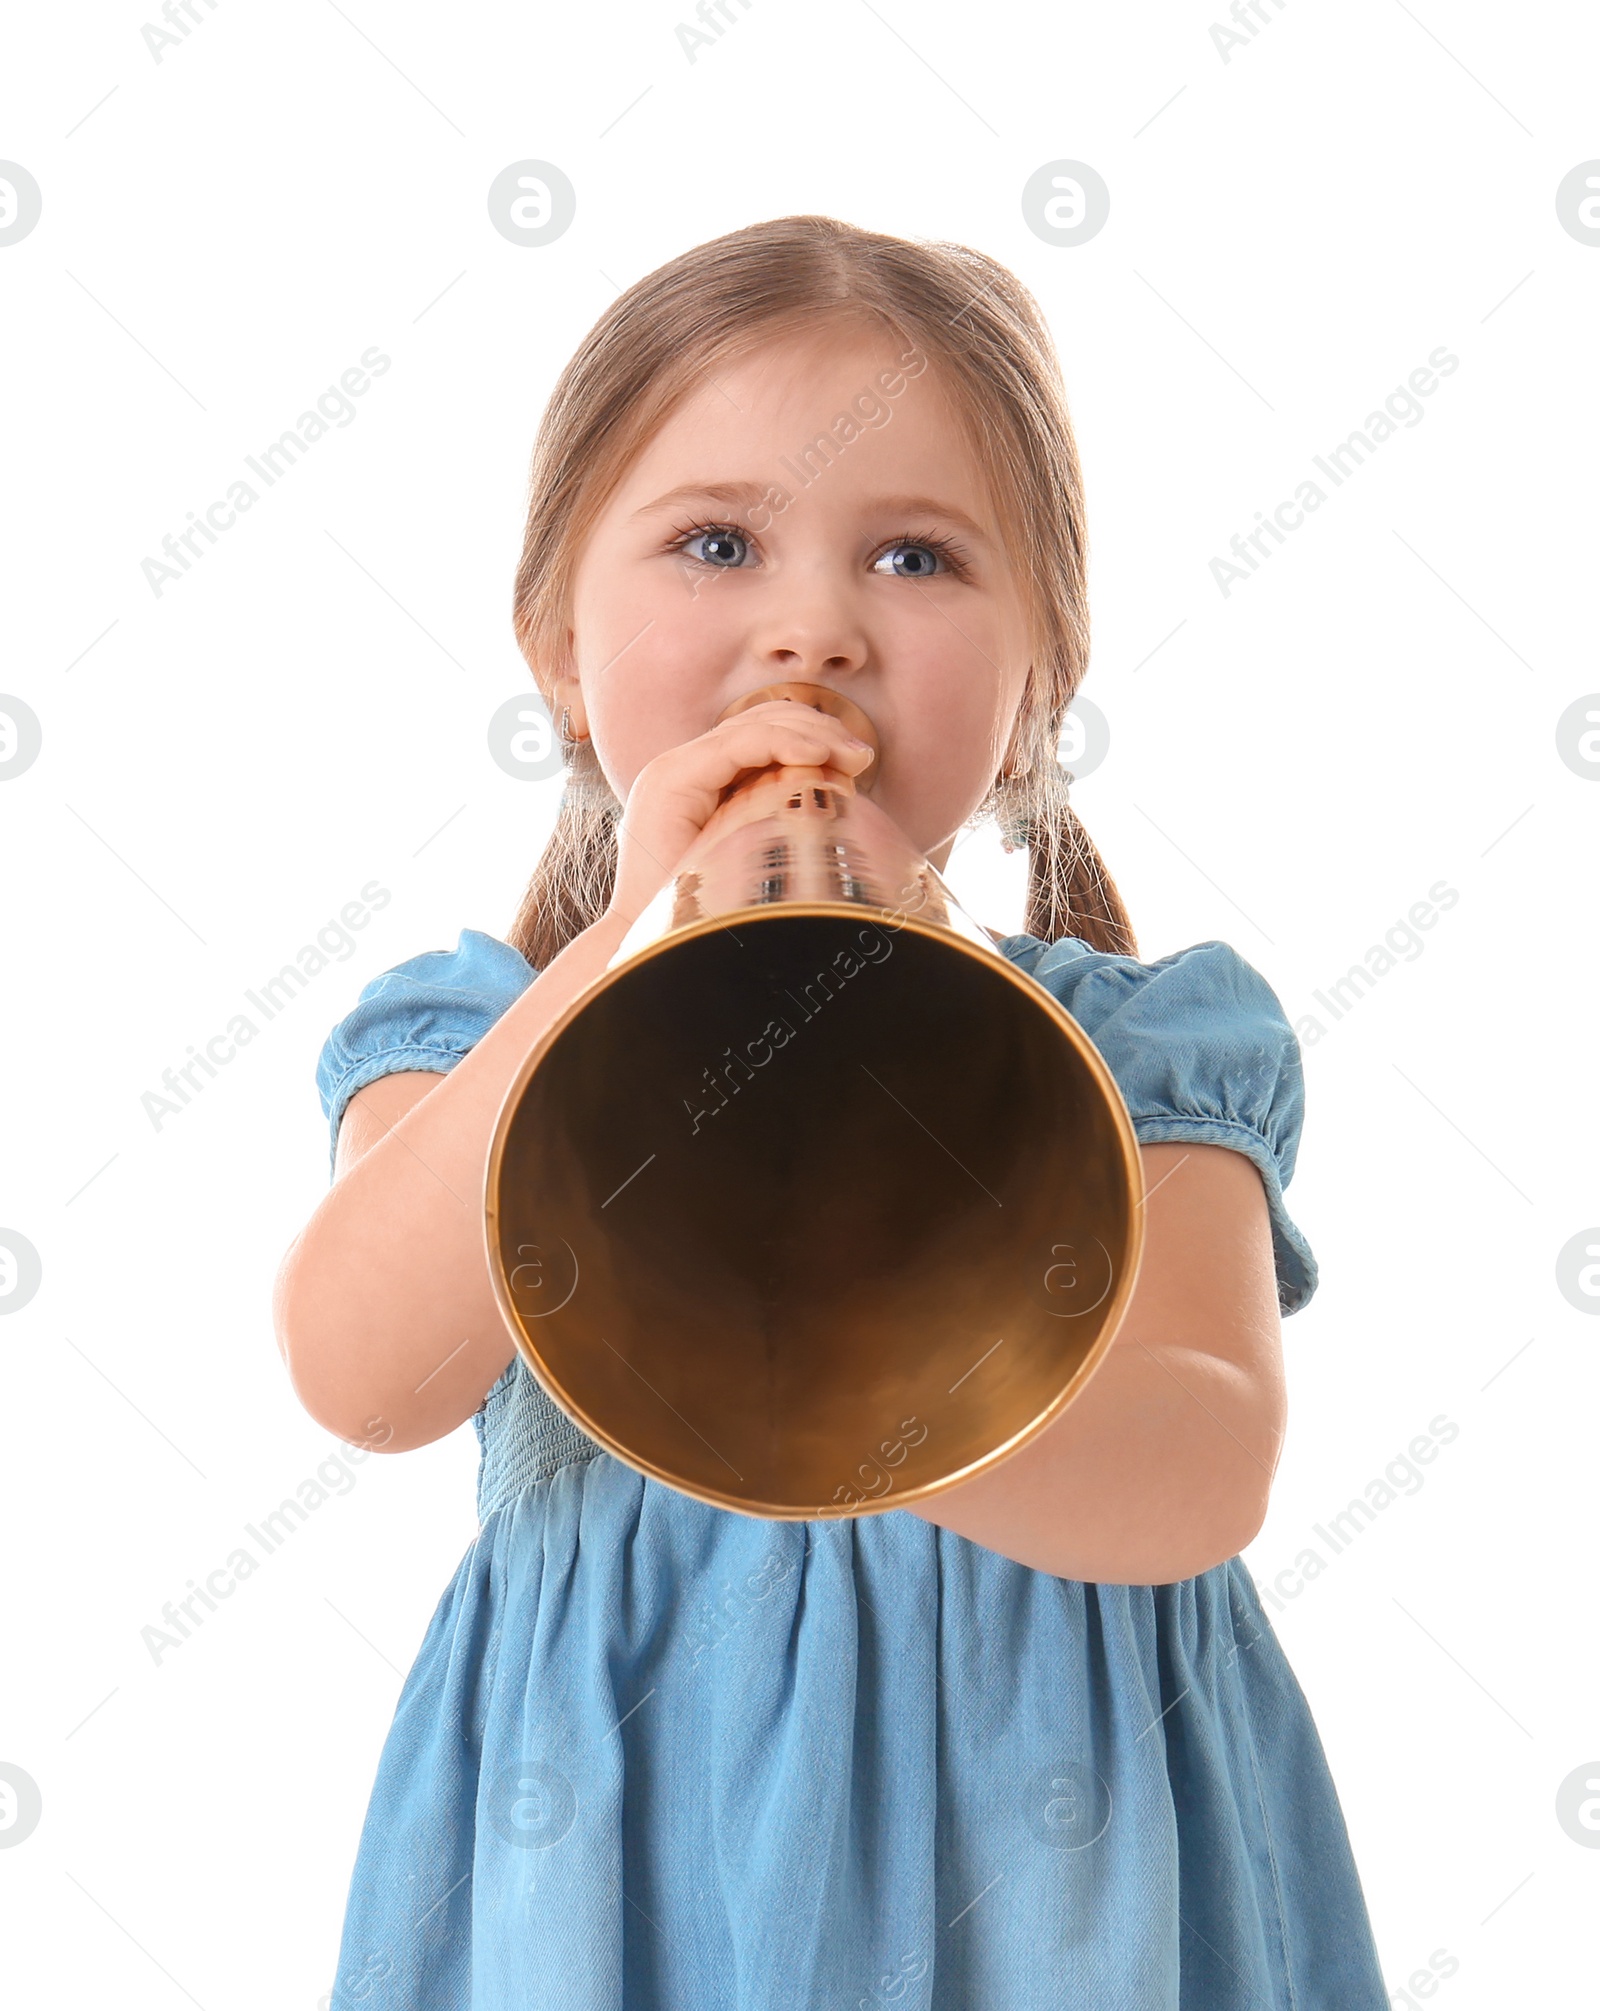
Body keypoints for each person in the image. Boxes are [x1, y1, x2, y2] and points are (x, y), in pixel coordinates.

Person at [274, 214, 1388, 2009]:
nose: (814, 631)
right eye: (717, 543)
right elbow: (360, 1370)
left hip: (1058, 1880)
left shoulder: (1150, 1049)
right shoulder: (470, 1032)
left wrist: (880, 1279)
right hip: (620, 1877)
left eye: (919, 559)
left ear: (1043, 686)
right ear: (560, 649)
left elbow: (1205, 1467)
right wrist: (624, 957)